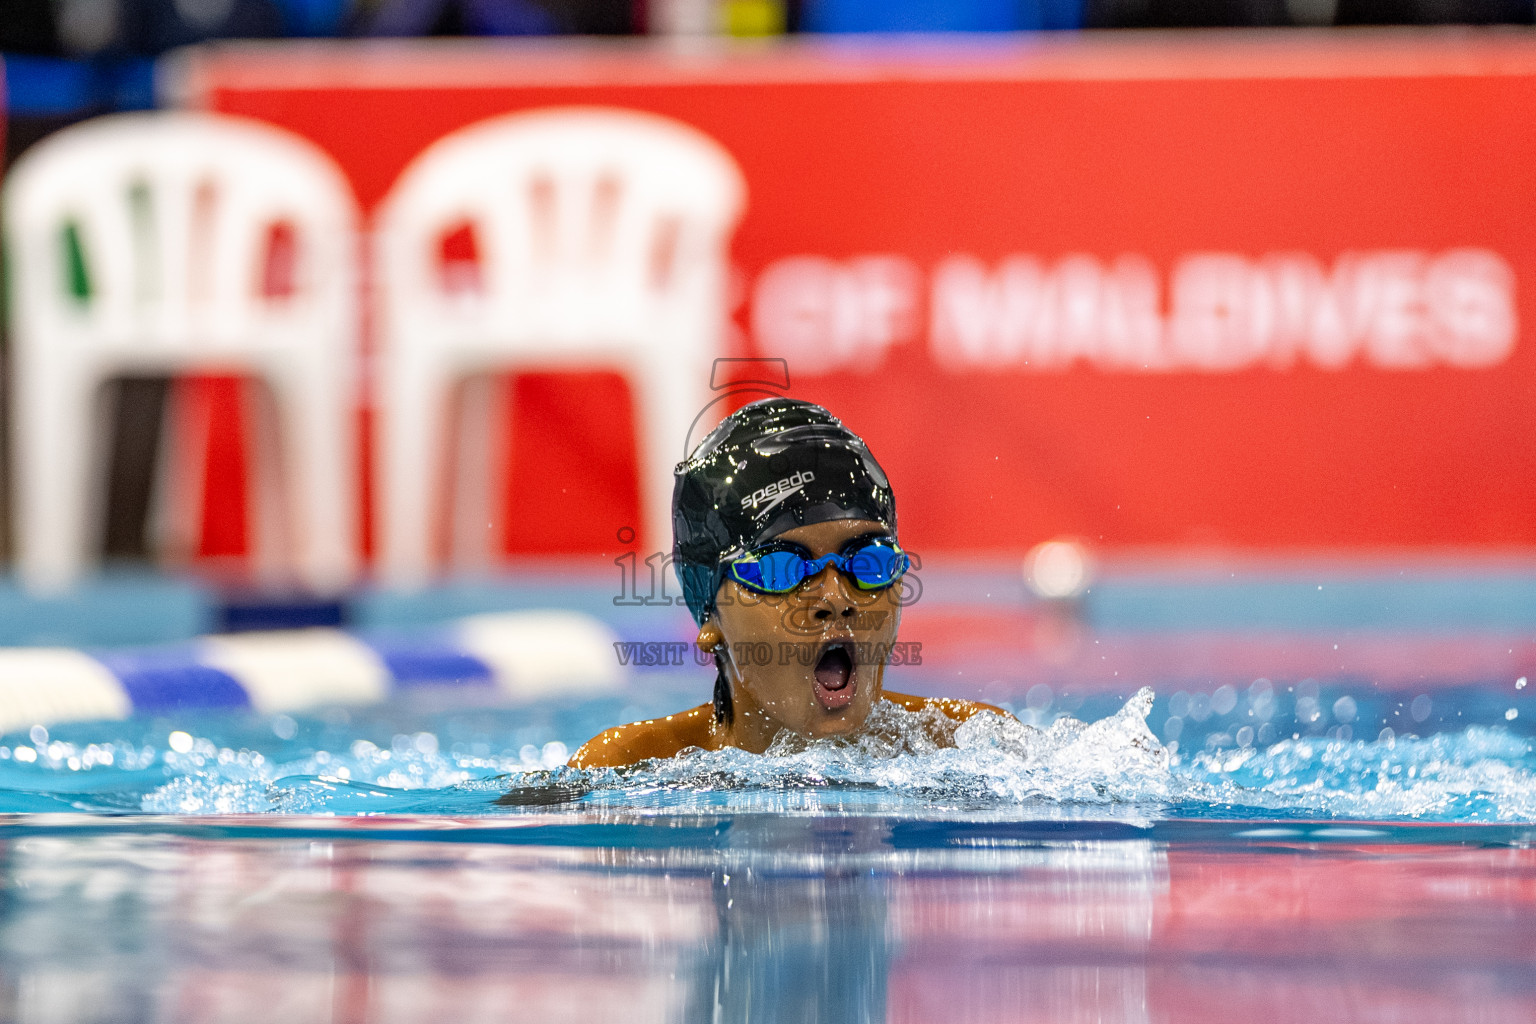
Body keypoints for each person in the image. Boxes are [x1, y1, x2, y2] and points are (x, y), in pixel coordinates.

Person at [570, 397, 1008, 769]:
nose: (836, 599)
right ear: (710, 615)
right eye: (783, 571)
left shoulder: (978, 748)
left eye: (868, 562)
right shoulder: (631, 769)